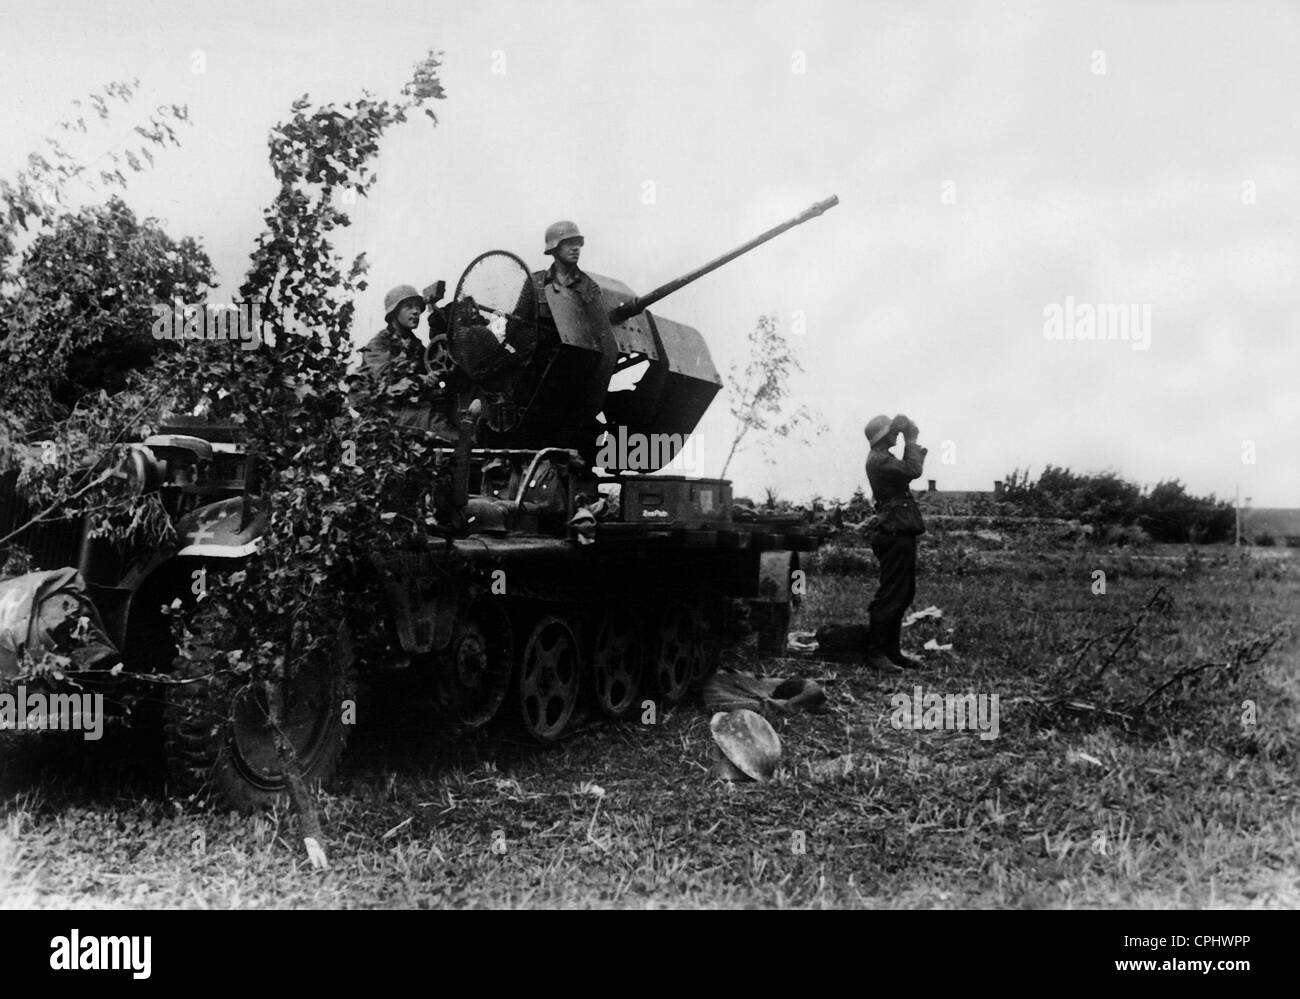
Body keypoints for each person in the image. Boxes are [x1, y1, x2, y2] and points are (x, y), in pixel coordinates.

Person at [862, 413, 928, 672]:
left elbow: (907, 470)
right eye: (891, 431)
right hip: (893, 532)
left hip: (898, 530)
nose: (895, 434)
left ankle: (891, 651)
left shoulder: (882, 458)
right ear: (883, 437)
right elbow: (913, 470)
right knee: (891, 594)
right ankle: (876, 653)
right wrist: (911, 439)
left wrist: (906, 437)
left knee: (903, 592)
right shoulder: (879, 461)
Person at [355, 284, 457, 440]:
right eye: (409, 307)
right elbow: (382, 383)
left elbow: (432, 369)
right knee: (440, 427)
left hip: (410, 407)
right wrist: (421, 381)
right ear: (394, 313)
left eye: (418, 308)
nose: (416, 311)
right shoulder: (379, 344)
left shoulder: (416, 345)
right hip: (386, 411)